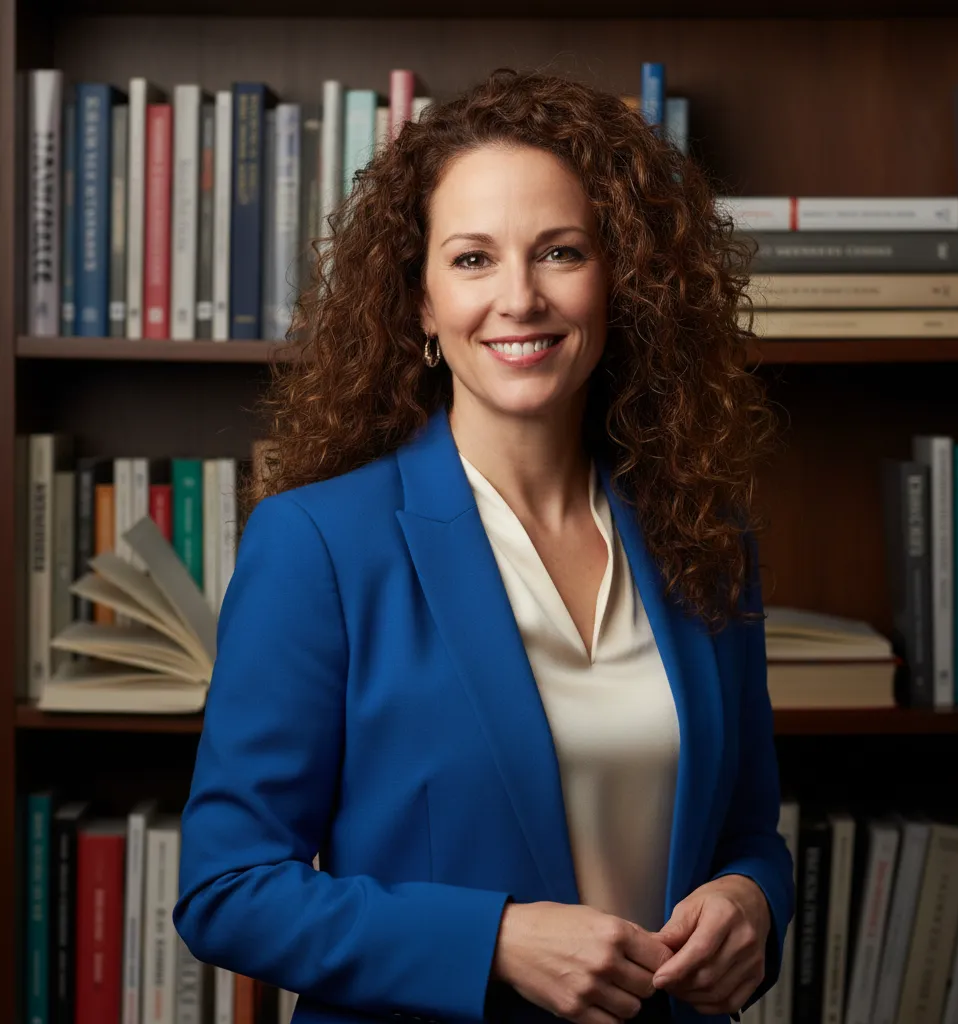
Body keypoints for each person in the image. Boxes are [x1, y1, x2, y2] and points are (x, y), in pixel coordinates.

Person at [172, 67, 794, 1024]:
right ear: (419, 301)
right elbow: (228, 890)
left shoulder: (706, 538)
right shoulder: (317, 546)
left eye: (560, 252)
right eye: (472, 259)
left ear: (619, 279)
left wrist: (753, 900)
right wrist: (495, 940)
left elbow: (748, 832)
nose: (519, 298)